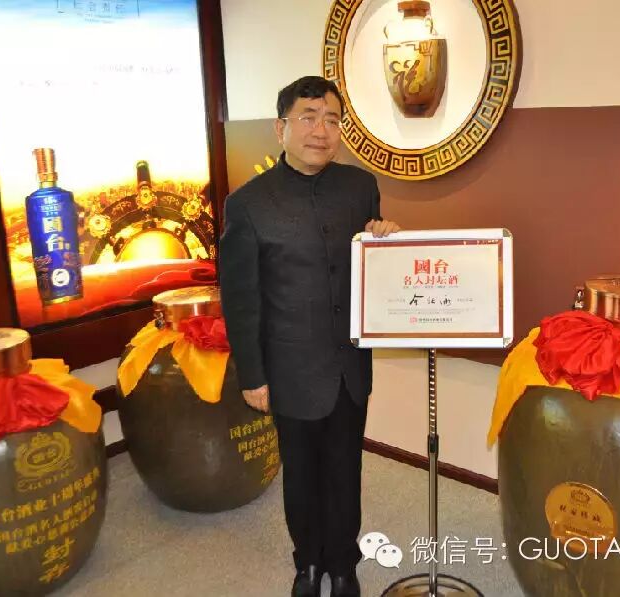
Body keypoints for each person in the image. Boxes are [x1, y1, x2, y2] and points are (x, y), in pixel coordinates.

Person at [218, 76, 400, 597]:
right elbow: (241, 298)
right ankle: (309, 564)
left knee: (345, 469)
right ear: (281, 129)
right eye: (308, 117)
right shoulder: (248, 204)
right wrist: (252, 375)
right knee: (300, 474)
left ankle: (343, 564)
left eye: (333, 120)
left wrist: (386, 240)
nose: (322, 130)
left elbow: (369, 269)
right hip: (289, 369)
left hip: (349, 365)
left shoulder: (360, 187)